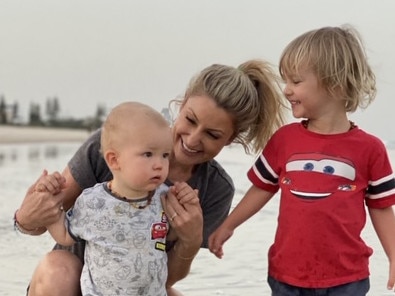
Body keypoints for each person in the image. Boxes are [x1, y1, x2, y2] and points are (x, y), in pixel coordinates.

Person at [15, 59, 286, 296]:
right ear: (181, 104)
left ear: (231, 140)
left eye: (212, 135)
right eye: (190, 120)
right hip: (73, 284)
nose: (192, 140)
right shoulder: (115, 146)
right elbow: (44, 220)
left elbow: (167, 278)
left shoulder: (215, 188)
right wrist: (25, 217)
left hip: (142, 288)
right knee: (58, 268)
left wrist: (190, 239)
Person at [209, 25, 395, 295]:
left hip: (346, 279)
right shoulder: (285, 140)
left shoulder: (370, 149)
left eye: (296, 81)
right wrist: (228, 225)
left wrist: (393, 256)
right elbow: (262, 188)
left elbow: (381, 208)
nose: (286, 90)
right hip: (287, 276)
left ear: (335, 83)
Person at [33, 102, 197, 295]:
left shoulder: (164, 197)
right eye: (148, 154)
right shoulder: (94, 202)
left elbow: (168, 236)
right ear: (114, 160)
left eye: (164, 155)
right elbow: (64, 235)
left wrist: (186, 208)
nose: (159, 165)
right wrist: (49, 203)